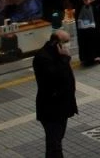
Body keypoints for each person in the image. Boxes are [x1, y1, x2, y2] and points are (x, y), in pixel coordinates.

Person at [33, 29, 78, 158]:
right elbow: (54, 78)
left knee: (56, 140)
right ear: (56, 43)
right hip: (51, 109)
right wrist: (65, 58)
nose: (68, 44)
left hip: (62, 107)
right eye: (66, 42)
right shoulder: (43, 57)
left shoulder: (59, 54)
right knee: (55, 145)